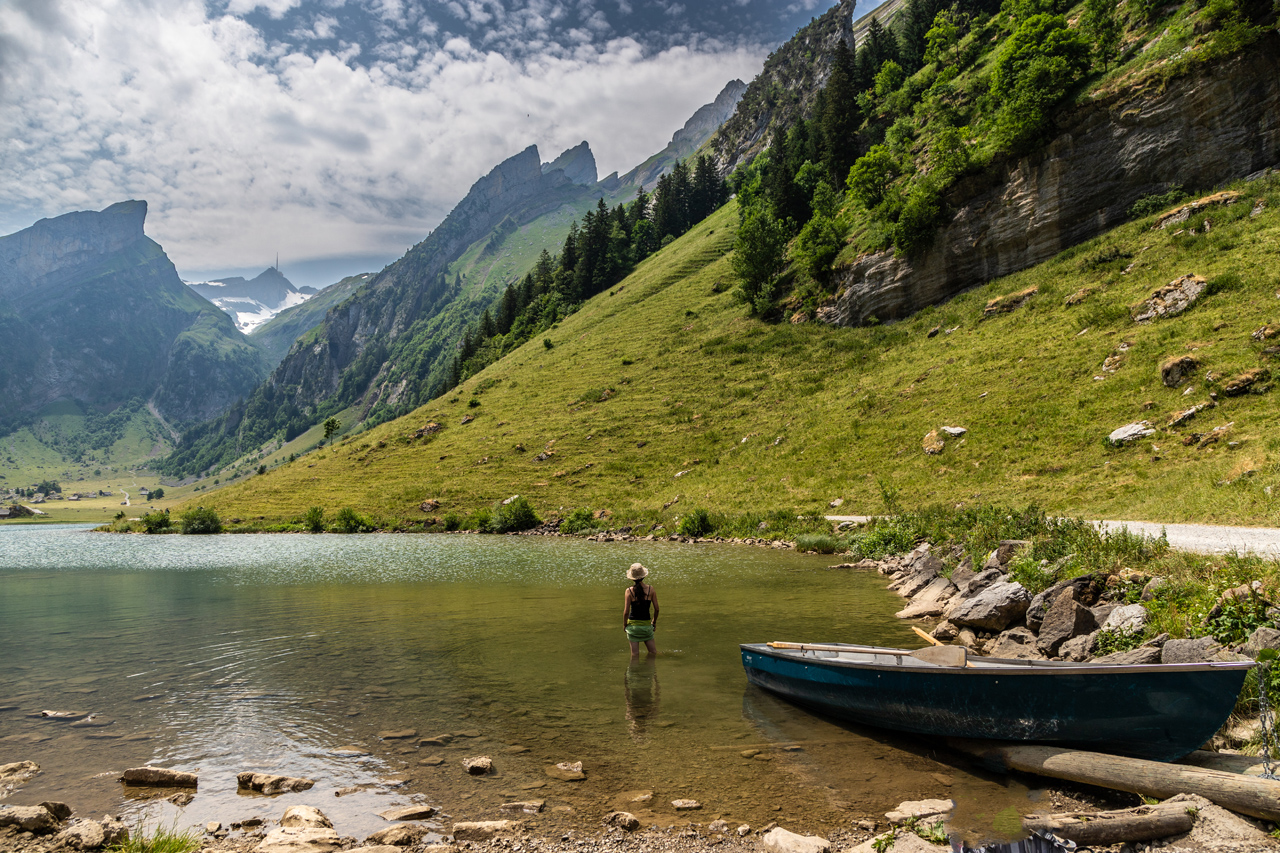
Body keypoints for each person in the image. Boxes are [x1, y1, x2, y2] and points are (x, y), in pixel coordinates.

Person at [623, 562, 659, 659]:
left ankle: (634, 674)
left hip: (633, 628)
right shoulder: (651, 589)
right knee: (653, 652)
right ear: (643, 576)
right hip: (647, 627)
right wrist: (654, 622)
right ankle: (652, 673)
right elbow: (657, 609)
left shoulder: (629, 591)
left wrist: (625, 625)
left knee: (635, 655)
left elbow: (626, 612)